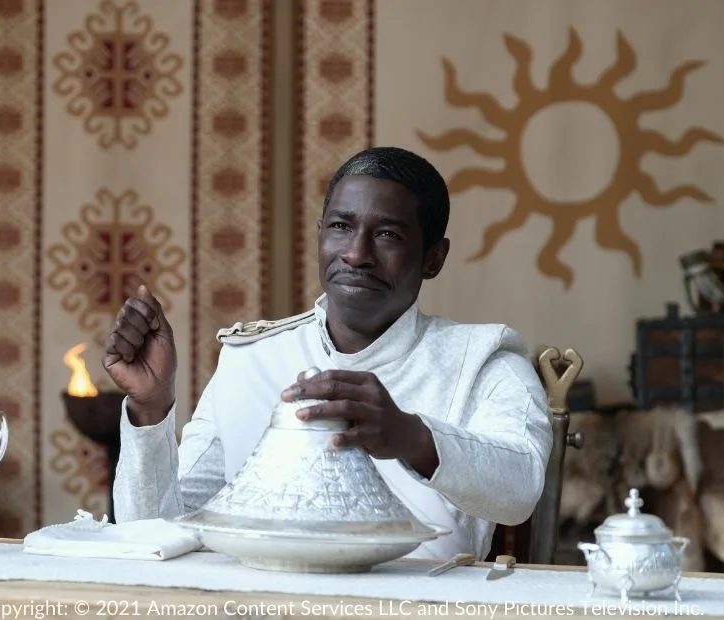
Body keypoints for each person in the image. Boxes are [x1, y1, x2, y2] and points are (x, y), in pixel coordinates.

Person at [103, 146, 552, 560]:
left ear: (434, 258)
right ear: (320, 237)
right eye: (341, 226)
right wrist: (151, 409)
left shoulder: (483, 361)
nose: (356, 254)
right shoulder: (252, 358)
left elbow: (520, 488)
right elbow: (159, 530)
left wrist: (407, 435)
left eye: (388, 235)